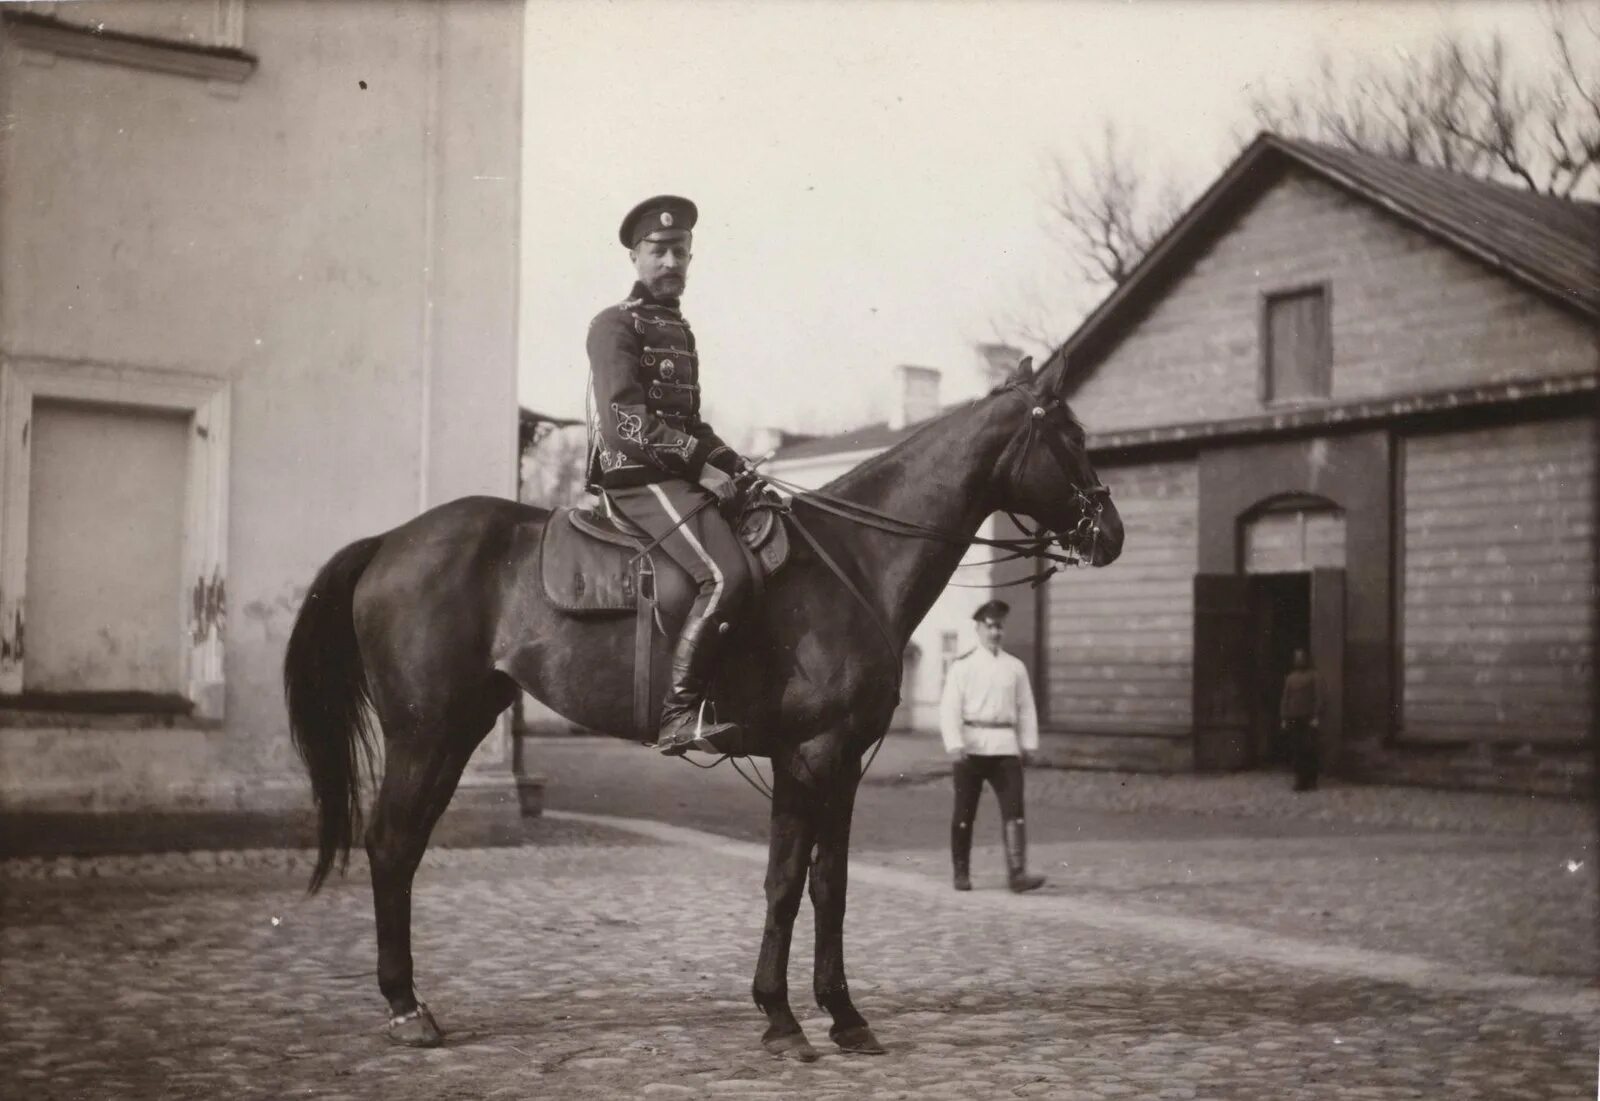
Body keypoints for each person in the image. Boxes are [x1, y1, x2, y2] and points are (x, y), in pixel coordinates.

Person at [585, 195, 753, 756]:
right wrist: (700, 465)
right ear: (635, 256)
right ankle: (679, 712)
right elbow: (625, 424)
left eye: (680, 250)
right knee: (726, 576)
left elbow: (691, 423)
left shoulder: (679, 330)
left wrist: (735, 465)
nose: (671, 262)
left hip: (673, 474)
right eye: (659, 250)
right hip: (634, 480)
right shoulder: (614, 324)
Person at [939, 600, 1046, 893]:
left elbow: (1026, 708)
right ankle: (961, 873)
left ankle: (1017, 874)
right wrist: (954, 743)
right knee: (964, 813)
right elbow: (949, 708)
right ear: (978, 629)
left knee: (1015, 810)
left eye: (999, 626)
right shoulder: (963, 667)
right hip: (971, 748)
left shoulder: (1015, 667)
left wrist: (1029, 744)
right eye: (989, 626)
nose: (995, 632)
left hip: (1004, 747)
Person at [1280, 648, 1320, 792]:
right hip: (1294, 717)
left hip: (1308, 718)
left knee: (1308, 748)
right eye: (1297, 658)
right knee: (1297, 750)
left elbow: (1317, 697)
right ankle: (1299, 780)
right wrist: (1284, 717)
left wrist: (1315, 716)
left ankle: (1311, 779)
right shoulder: (1290, 678)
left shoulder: (1313, 676)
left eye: (1301, 658)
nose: (1299, 660)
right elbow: (1286, 698)